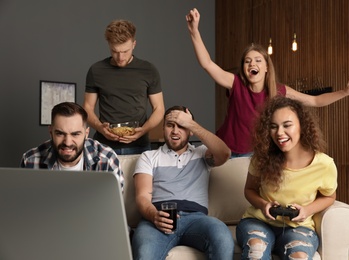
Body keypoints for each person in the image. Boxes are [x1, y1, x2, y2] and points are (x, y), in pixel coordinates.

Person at [186, 8, 349, 157]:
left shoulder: (278, 90)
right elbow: (207, 64)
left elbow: (315, 101)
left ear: (266, 67)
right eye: (247, 61)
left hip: (255, 155)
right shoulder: (236, 83)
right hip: (226, 151)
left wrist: (345, 92)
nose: (252, 64)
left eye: (257, 60)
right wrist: (194, 31)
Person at [235, 96, 337, 259]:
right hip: (258, 222)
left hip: (299, 227)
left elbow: (330, 196)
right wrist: (263, 205)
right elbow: (249, 190)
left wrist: (307, 210)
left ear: (302, 126)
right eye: (273, 127)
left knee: (299, 256)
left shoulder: (324, 164)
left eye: (287, 125)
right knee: (256, 252)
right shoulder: (261, 158)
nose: (279, 133)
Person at [131, 105, 234, 260]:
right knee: (144, 251)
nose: (175, 131)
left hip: (196, 219)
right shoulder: (149, 156)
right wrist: (154, 216)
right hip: (158, 218)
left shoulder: (202, 154)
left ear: (190, 130)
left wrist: (191, 123)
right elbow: (142, 197)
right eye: (170, 125)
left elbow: (225, 153)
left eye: (181, 126)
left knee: (222, 237)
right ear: (163, 127)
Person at [83, 19, 165, 155]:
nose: (120, 57)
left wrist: (143, 130)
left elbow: (159, 108)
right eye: (115, 51)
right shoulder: (96, 70)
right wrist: (100, 128)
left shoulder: (149, 70)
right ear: (109, 45)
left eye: (125, 51)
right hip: (104, 146)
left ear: (134, 44)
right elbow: (87, 107)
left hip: (140, 146)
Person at [20, 102, 123, 187]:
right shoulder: (31, 160)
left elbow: (113, 207)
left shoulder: (107, 159)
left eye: (75, 134)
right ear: (50, 132)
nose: (67, 142)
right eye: (60, 133)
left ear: (86, 134)